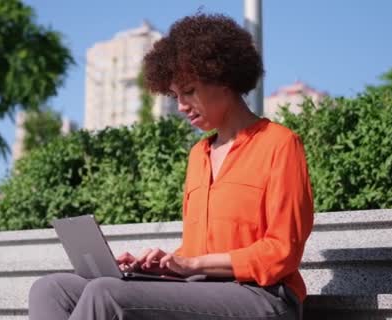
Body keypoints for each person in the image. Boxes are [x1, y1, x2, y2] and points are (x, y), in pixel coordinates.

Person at [28, 13, 314, 320]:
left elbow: (281, 252)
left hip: (263, 297)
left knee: (106, 295)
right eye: (175, 95)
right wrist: (162, 262)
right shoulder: (199, 155)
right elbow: (197, 251)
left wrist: (192, 265)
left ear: (224, 78)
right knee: (51, 289)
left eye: (189, 91)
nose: (180, 106)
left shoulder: (279, 144)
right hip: (202, 289)